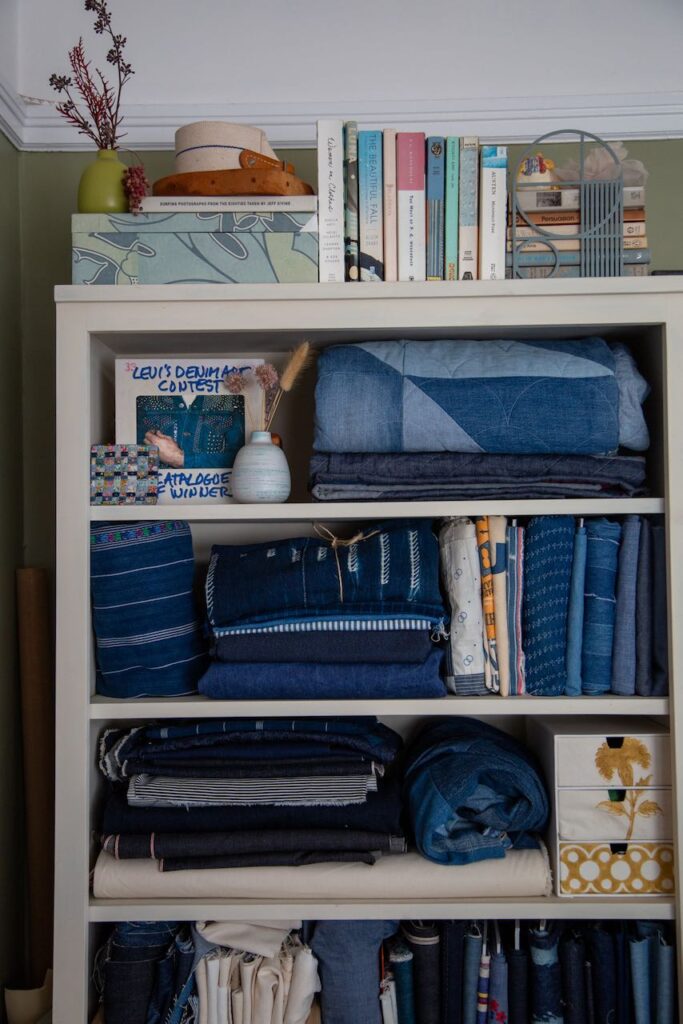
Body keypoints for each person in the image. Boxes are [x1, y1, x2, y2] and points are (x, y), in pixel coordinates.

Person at [137, 394, 245, 469]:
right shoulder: (142, 396)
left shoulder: (233, 397)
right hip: (160, 495)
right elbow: (129, 460)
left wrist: (179, 459)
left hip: (215, 496)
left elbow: (242, 459)